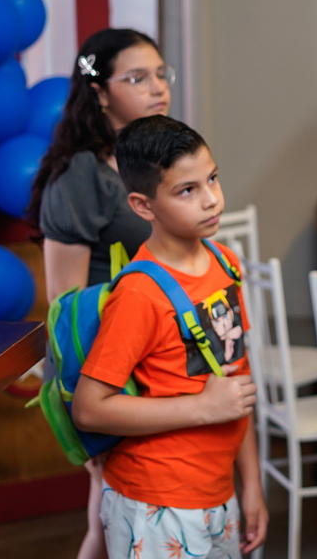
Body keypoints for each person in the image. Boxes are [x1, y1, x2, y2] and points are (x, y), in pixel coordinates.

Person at [71, 115, 267, 558]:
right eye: (187, 190)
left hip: (219, 492)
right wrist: (201, 407)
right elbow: (89, 408)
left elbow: (236, 385)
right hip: (155, 501)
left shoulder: (225, 262)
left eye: (212, 179)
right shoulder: (139, 293)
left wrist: (252, 485)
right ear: (143, 206)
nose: (211, 199)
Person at [28, 27, 174, 559]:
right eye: (136, 78)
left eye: (160, 74)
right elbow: (65, 305)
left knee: (128, 517)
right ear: (100, 92)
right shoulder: (81, 174)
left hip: (153, 356)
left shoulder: (152, 157)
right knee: (112, 517)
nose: (157, 87)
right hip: (103, 366)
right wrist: (95, 396)